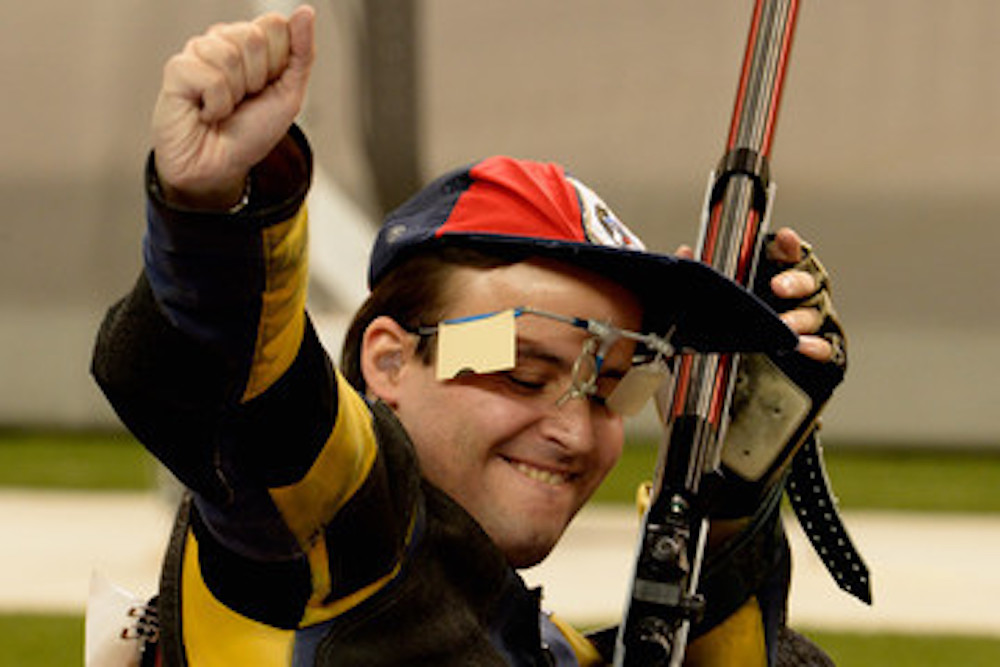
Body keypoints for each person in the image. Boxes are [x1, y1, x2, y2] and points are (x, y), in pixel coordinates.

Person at [91, 6, 853, 665]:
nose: (573, 430)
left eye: (617, 384)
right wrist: (216, 209)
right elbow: (241, 386)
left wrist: (725, 512)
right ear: (387, 359)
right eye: (523, 371)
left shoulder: (544, 646)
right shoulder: (335, 539)